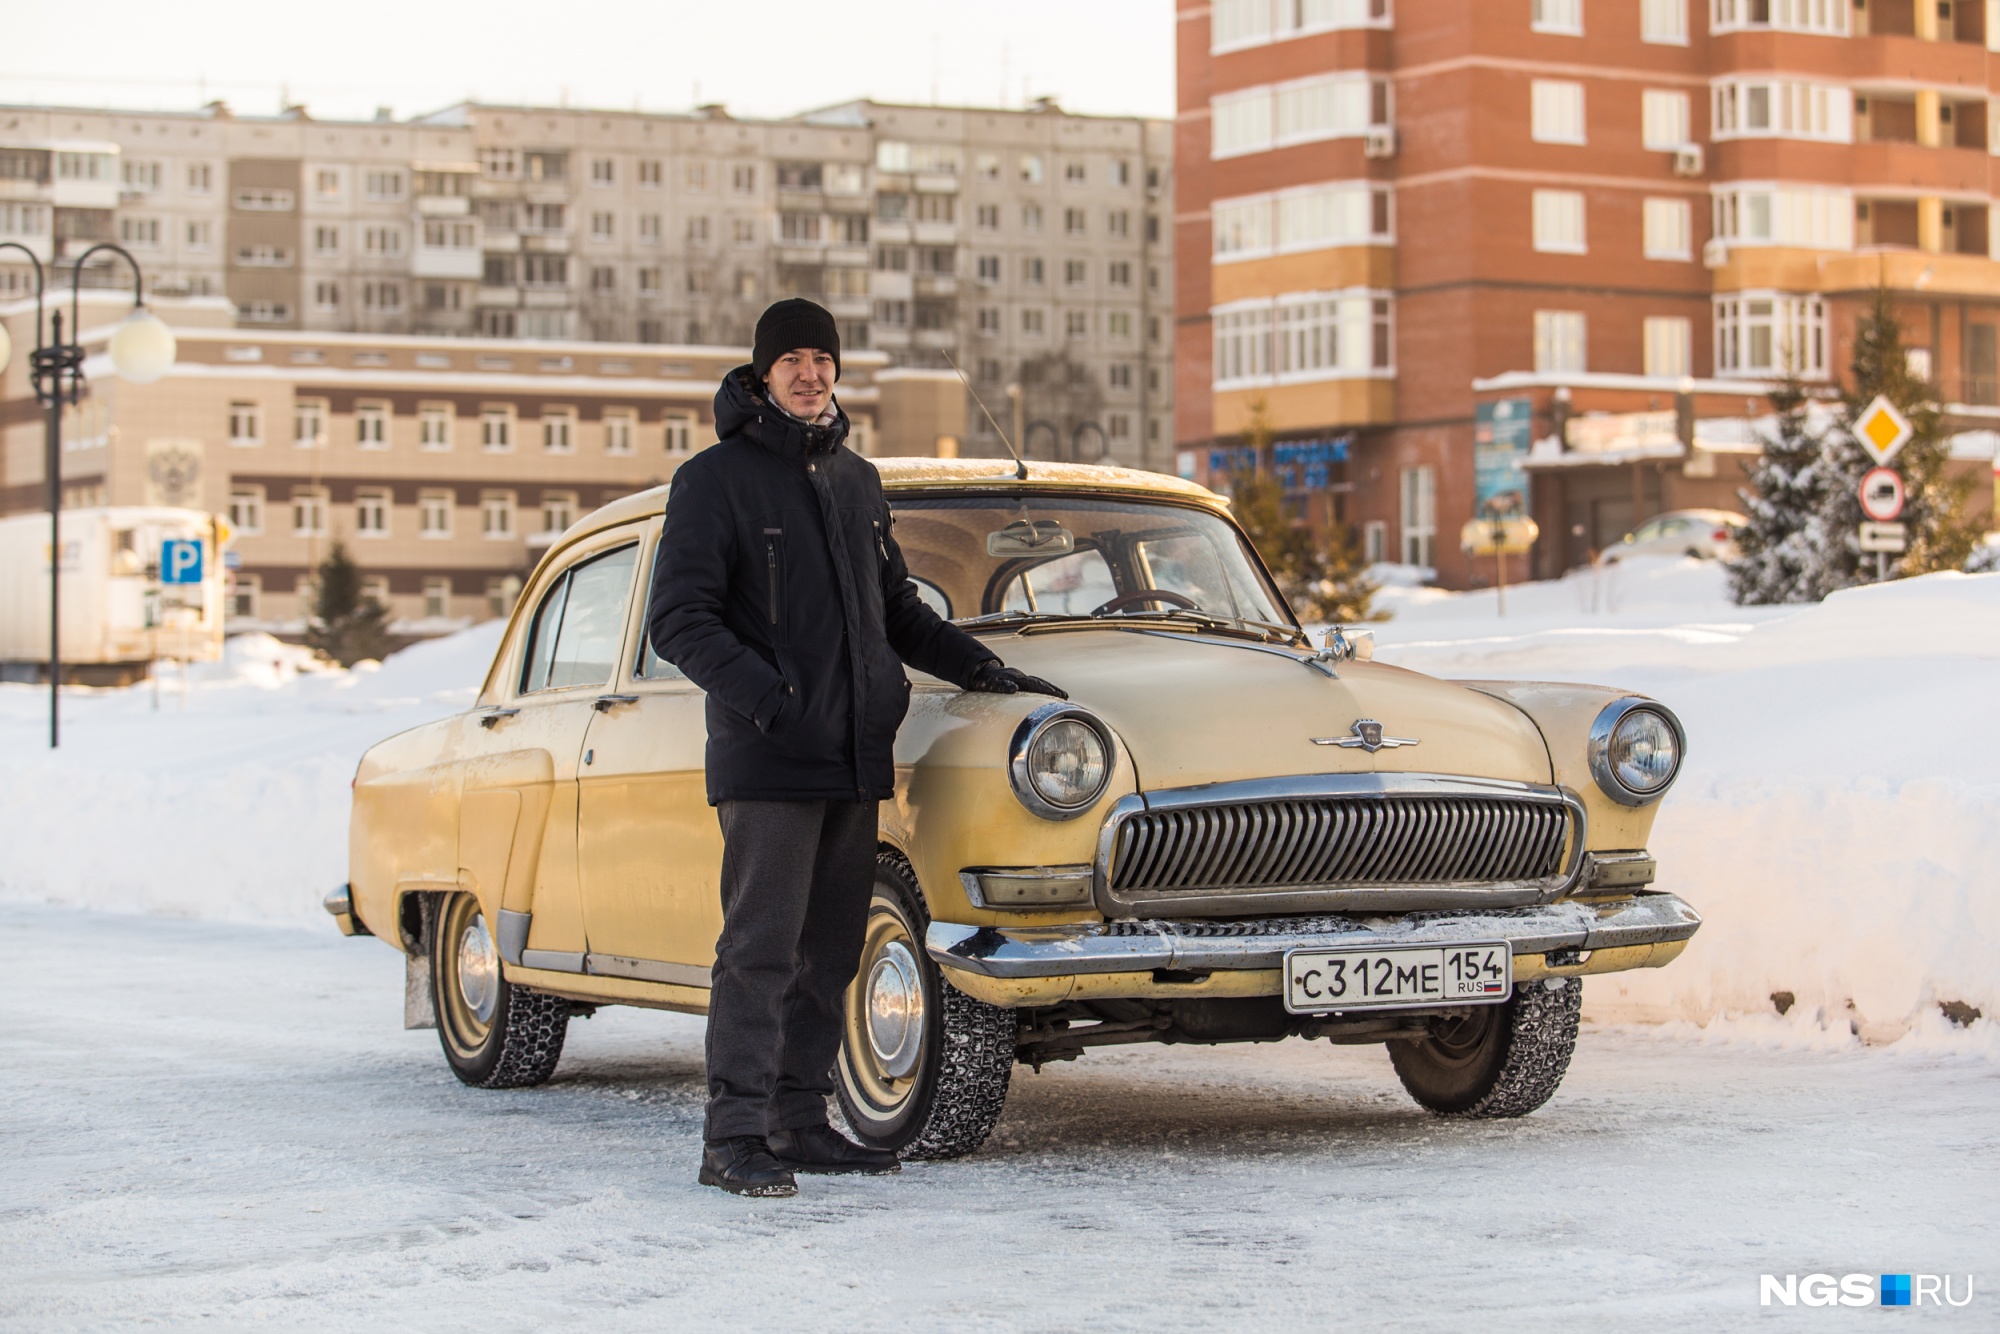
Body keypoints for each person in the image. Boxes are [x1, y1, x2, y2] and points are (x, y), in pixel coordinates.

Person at [648, 298, 1064, 1197]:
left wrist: (980, 667)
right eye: (790, 358)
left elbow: (898, 611)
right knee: (760, 950)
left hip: (852, 755)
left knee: (830, 951)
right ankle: (733, 1139)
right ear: (762, 373)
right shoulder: (713, 481)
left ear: (837, 371)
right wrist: (773, 698)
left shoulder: (856, 481)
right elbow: (678, 621)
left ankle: (797, 1122)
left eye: (821, 357)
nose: (808, 372)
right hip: (770, 756)